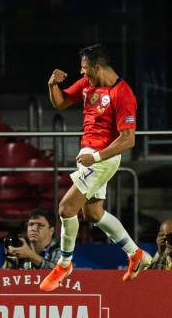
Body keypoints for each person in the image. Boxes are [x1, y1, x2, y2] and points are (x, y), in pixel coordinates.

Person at [40, 43, 150, 291]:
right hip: (89, 154)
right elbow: (61, 102)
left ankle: (64, 264)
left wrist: (97, 157)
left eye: (85, 68)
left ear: (98, 67)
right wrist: (51, 85)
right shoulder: (89, 85)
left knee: (66, 208)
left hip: (103, 158)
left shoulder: (123, 94)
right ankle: (136, 254)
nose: (82, 73)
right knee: (93, 214)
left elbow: (128, 139)